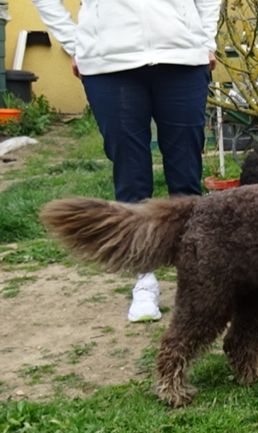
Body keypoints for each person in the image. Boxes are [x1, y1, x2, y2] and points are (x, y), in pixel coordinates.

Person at [33, 0, 221, 322]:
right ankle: (143, 277)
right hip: (110, 66)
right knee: (131, 173)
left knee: (187, 172)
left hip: (182, 58)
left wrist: (204, 40)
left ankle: (197, 277)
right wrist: (76, 43)